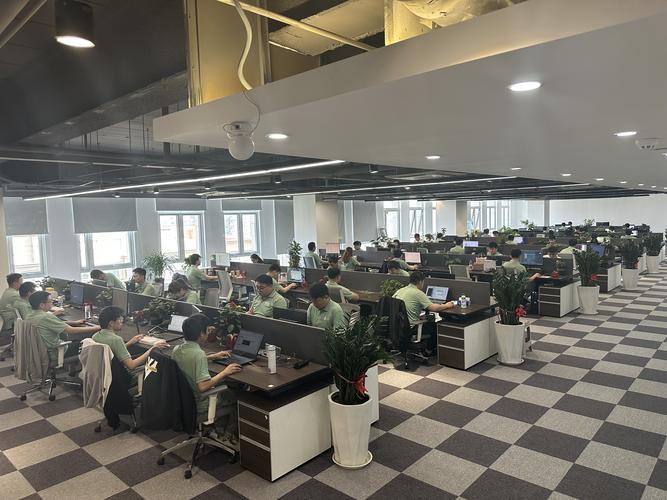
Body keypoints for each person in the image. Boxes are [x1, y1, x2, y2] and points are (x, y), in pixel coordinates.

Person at [172, 314, 241, 446]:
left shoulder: (177, 350)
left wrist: (212, 356)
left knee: (224, 386)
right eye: (208, 330)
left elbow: (190, 360)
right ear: (201, 333)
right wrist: (225, 372)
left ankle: (218, 429)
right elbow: (203, 386)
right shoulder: (198, 354)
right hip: (199, 404)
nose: (209, 333)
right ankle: (226, 435)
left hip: (182, 400)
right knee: (236, 397)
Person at [92, 306, 167, 389]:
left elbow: (112, 351)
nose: (122, 321)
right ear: (111, 323)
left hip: (103, 375)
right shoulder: (116, 340)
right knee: (155, 366)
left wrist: (130, 342)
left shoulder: (95, 336)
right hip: (120, 379)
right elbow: (131, 365)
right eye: (120, 320)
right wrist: (152, 349)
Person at [27, 291, 101, 365]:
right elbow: (71, 330)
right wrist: (96, 328)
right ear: (42, 305)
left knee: (73, 340)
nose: (52, 303)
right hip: (55, 353)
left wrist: (74, 322)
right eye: (50, 301)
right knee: (83, 342)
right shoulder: (46, 317)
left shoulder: (30, 315)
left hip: (38, 353)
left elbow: (54, 324)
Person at [392, 271, 456, 350]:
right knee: (435, 326)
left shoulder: (400, 290)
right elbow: (434, 308)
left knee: (427, 320)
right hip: (410, 327)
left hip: (398, 325)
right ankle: (429, 350)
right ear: (420, 282)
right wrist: (447, 305)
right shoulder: (418, 293)